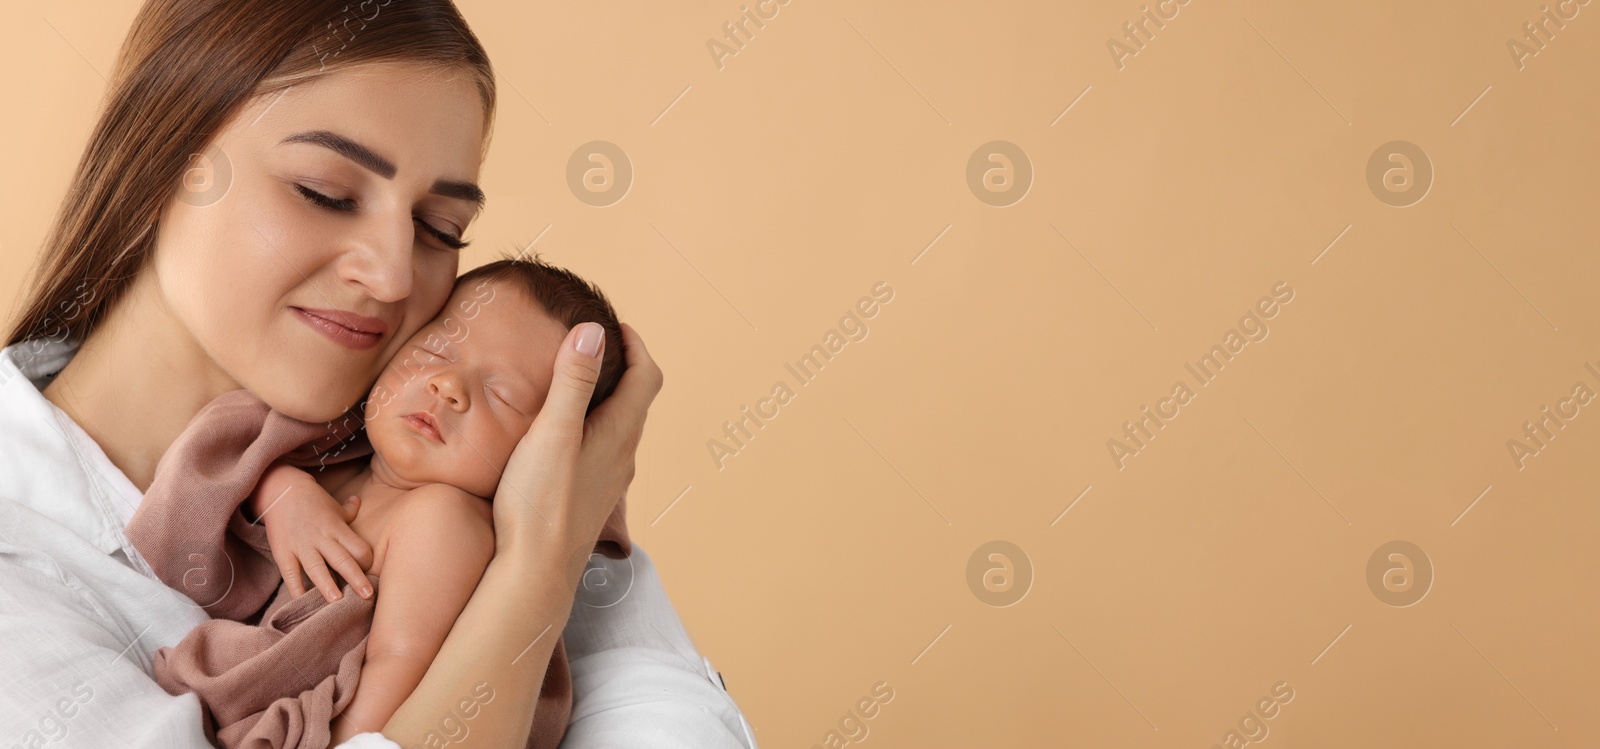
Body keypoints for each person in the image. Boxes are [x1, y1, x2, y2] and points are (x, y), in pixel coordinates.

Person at [0, 1, 756, 747]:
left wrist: (541, 552)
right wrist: (529, 582)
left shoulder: (457, 457)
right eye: (325, 192)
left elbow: (675, 720)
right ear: (163, 161)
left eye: (439, 230)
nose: (396, 276)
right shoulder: (20, 557)